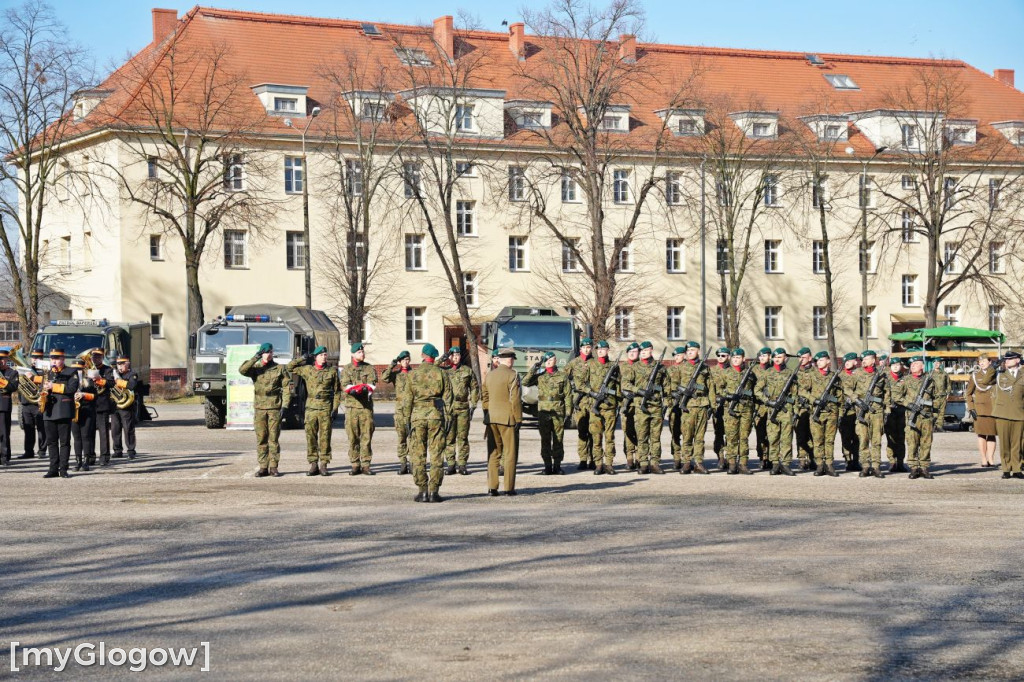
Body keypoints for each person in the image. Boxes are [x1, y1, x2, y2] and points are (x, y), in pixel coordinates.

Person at [403, 343, 454, 502]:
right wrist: (449, 418)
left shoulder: (413, 375)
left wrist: (406, 420)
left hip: (417, 416)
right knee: (437, 454)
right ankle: (434, 491)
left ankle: (422, 490)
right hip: (435, 416)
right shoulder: (441, 373)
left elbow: (407, 400)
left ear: (423, 355)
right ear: (434, 356)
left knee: (418, 454)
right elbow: (448, 398)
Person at [288, 345, 342, 476]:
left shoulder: (332, 372)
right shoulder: (307, 370)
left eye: (325, 355)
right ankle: (313, 464)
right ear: (316, 357)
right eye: (321, 355)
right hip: (311, 407)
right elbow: (290, 367)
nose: (324, 357)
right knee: (311, 436)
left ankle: (324, 464)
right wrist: (301, 358)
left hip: (325, 407)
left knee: (325, 437)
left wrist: (335, 408)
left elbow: (337, 392)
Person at [239, 342, 291, 477]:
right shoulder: (256, 368)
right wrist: (255, 357)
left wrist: (285, 405)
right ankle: (263, 467)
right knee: (261, 438)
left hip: (274, 407)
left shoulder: (279, 368)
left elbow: (286, 388)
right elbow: (242, 370)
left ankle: (273, 466)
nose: (268, 355)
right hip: (260, 407)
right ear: (262, 354)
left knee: (273, 438)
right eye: (265, 352)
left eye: (270, 352)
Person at [523, 351, 572, 475]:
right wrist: (534, 368)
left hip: (558, 410)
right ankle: (547, 466)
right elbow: (525, 382)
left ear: (555, 360)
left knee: (558, 439)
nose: (549, 361)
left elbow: (568, 395)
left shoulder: (562, 376)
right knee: (545, 439)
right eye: (547, 360)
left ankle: (557, 465)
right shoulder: (540, 376)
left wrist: (568, 412)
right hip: (544, 411)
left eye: (552, 359)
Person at [482, 348, 522, 496]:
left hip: (492, 418)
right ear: (510, 360)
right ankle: (508, 488)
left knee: (493, 454)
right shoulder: (513, 375)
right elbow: (515, 399)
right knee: (510, 454)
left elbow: (484, 396)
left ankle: (492, 487)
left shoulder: (490, 375)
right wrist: (518, 418)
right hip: (508, 419)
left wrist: (487, 413)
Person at [628, 341, 667, 474]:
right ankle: (643, 463)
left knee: (655, 437)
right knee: (642, 436)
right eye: (641, 351)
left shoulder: (660, 368)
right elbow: (625, 384)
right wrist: (638, 390)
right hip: (641, 406)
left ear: (651, 350)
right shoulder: (634, 367)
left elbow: (666, 386)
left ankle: (655, 463)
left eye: (646, 350)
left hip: (656, 406)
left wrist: (666, 401)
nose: (643, 352)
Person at [339, 342, 378, 475]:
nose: (362, 354)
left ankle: (366, 464)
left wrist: (364, 389)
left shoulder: (369, 368)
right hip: (352, 408)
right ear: (353, 354)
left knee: (366, 436)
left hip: (365, 408)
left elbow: (372, 383)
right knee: (353, 437)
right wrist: (353, 390)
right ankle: (355, 464)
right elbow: (345, 384)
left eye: (363, 352)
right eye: (359, 352)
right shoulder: (347, 369)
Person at [676, 341, 714, 474]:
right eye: (688, 350)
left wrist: (712, 406)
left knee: (699, 437)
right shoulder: (680, 367)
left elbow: (711, 388)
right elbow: (673, 386)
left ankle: (699, 462)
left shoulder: (704, 368)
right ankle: (686, 462)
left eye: (693, 350)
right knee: (687, 435)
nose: (690, 352)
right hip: (688, 407)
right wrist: (683, 392)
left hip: (702, 405)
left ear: (698, 351)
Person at [801, 350, 841, 477]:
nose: (819, 362)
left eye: (821, 360)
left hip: (831, 413)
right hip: (816, 413)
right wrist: (814, 399)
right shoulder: (811, 376)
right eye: (817, 360)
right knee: (818, 440)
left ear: (828, 361)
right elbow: (802, 391)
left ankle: (829, 464)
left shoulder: (834, 377)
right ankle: (819, 464)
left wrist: (839, 411)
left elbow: (839, 396)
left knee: (829, 440)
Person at [850, 350, 888, 478]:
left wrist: (887, 409)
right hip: (862, 410)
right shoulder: (857, 373)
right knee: (863, 439)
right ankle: (865, 466)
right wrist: (857, 400)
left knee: (876, 440)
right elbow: (848, 389)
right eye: (862, 359)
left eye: (866, 359)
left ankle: (876, 466)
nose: (863, 361)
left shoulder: (881, 374)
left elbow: (887, 392)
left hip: (877, 411)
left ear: (873, 360)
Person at [719, 348, 757, 475]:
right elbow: (719, 390)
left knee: (744, 437)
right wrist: (729, 396)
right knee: (731, 437)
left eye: (738, 358)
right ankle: (732, 464)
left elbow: (754, 391)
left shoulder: (750, 374)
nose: (735, 360)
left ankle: (743, 464)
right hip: (731, 409)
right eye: (734, 358)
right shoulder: (726, 373)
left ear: (743, 359)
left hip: (746, 409)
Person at [41, 349, 79, 478]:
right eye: (52, 359)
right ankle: (52, 469)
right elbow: (41, 389)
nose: (54, 361)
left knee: (64, 442)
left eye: (57, 359)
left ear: (63, 359)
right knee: (51, 442)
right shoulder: (47, 373)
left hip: (63, 410)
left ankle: (63, 469)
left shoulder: (71, 372)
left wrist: (54, 387)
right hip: (49, 410)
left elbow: (72, 388)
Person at [761, 348, 797, 476]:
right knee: (773, 437)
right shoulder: (767, 373)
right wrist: (768, 401)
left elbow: (795, 394)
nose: (777, 359)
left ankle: (786, 464)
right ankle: (775, 463)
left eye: (780, 357)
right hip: (772, 409)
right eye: (775, 357)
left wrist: (794, 410)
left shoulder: (791, 373)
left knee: (786, 438)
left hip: (786, 410)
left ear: (785, 359)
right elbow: (757, 390)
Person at [443, 346, 479, 476]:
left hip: (463, 407)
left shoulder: (467, 371)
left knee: (462, 438)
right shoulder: (445, 371)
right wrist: (443, 357)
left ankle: (462, 464)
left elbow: (474, 388)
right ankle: (451, 464)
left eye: (457, 355)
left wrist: (473, 404)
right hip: (449, 409)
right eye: (453, 355)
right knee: (449, 438)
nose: (456, 357)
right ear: (450, 357)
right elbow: (433, 368)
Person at [585, 340, 619, 475]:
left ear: (608, 350)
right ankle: (598, 464)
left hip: (610, 406)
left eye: (603, 349)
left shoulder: (614, 367)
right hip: (595, 406)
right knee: (596, 437)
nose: (600, 351)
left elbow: (618, 386)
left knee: (610, 436)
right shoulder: (590, 365)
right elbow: (581, 384)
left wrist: (619, 402)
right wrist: (592, 393)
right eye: (598, 349)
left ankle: (609, 464)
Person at [902, 356, 939, 479]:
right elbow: (896, 396)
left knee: (926, 443)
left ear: (922, 366)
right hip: (912, 417)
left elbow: (937, 398)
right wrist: (909, 404)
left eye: (916, 364)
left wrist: (936, 415)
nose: (913, 366)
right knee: (912, 442)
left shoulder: (930, 380)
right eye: (911, 364)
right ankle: (913, 467)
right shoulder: (905, 380)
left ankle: (924, 467)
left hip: (926, 417)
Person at [991, 350, 1024, 480]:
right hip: (1003, 413)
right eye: (1005, 360)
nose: (1006, 361)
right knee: (1004, 443)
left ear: (1017, 360)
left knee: (1017, 443)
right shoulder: (1000, 374)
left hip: (1019, 412)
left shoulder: (1022, 374)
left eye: (1009, 359)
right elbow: (987, 380)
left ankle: (1016, 468)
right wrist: (994, 366)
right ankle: (1006, 469)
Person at [565, 338, 595, 470]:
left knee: (594, 432)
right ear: (581, 349)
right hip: (580, 401)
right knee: (582, 431)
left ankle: (594, 459)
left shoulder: (595, 363)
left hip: (594, 401)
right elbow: (563, 377)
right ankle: (583, 459)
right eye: (584, 347)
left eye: (589, 347)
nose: (587, 349)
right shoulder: (573, 363)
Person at [382, 350, 413, 475]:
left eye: (407, 359)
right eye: (403, 360)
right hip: (400, 409)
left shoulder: (414, 373)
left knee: (412, 437)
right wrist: (391, 365)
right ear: (400, 362)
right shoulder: (396, 374)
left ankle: (413, 463)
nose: (406, 362)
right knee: (401, 437)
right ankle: (403, 463)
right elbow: (384, 378)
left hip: (412, 409)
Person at [965, 353, 998, 468]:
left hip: (993, 409)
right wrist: (971, 408)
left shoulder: (995, 374)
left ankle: (991, 458)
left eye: (984, 361)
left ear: (990, 362)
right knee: (982, 435)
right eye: (980, 361)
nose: (982, 363)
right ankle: (984, 459)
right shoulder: (975, 376)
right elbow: (968, 394)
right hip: (980, 409)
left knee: (992, 434)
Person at [18, 350, 48, 459]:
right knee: (28, 429)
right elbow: (19, 384)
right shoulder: (25, 370)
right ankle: (28, 451)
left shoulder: (45, 370)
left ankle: (42, 450)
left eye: (38, 357)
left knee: (42, 429)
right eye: (34, 357)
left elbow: (47, 382)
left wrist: (33, 378)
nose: (35, 360)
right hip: (26, 403)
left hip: (39, 403)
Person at [69, 358, 98, 472]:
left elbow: (95, 396)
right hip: (73, 411)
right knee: (76, 437)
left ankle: (86, 461)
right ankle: (78, 461)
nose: (77, 371)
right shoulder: (69, 380)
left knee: (86, 436)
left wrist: (84, 395)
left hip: (87, 410)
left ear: (83, 369)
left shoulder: (89, 380)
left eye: (80, 369)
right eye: (75, 369)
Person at [110, 356, 139, 460]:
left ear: (128, 363)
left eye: (122, 364)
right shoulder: (114, 374)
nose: (120, 366)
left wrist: (117, 380)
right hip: (115, 405)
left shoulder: (132, 374)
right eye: (118, 364)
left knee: (128, 428)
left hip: (126, 406)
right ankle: (117, 450)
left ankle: (131, 450)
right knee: (115, 429)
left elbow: (132, 385)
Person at [90, 348, 115, 465]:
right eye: (94, 356)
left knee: (103, 432)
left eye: (98, 357)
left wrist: (100, 380)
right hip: (90, 404)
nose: (96, 358)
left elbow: (111, 383)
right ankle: (90, 456)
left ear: (102, 357)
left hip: (102, 404)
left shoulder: (108, 369)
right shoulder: (87, 369)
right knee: (89, 432)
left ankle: (104, 456)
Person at [838, 352, 862, 472]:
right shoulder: (839, 376)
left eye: (849, 361)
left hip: (857, 411)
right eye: (845, 361)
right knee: (845, 437)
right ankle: (848, 460)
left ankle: (856, 460)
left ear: (855, 362)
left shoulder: (859, 375)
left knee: (857, 437)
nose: (847, 363)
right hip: (844, 411)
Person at [619, 342, 640, 469]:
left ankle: (640, 457)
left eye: (635, 352)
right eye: (630, 352)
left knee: (640, 431)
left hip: (638, 403)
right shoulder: (621, 367)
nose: (633, 354)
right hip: (626, 403)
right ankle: (629, 458)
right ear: (627, 353)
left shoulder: (641, 366)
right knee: (628, 431)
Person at [884, 358, 908, 473]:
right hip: (889, 412)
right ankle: (892, 462)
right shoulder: (885, 378)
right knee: (890, 438)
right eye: (893, 365)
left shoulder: (905, 378)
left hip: (901, 412)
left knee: (901, 438)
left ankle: (900, 462)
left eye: (897, 364)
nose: (895, 367)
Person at [794, 346, 816, 470]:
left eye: (803, 357)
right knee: (800, 435)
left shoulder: (815, 372)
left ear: (810, 358)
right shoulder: (794, 372)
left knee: (813, 434)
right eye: (799, 358)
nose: (801, 360)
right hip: (799, 408)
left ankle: (813, 458)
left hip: (812, 407)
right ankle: (802, 459)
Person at [666, 346, 686, 470]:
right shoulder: (670, 370)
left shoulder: (688, 369)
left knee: (686, 433)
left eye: (678, 355)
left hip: (685, 404)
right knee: (674, 432)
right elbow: (666, 386)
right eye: (675, 356)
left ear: (684, 355)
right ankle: (676, 458)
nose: (676, 357)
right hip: (673, 404)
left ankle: (686, 458)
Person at [752, 347, 772, 469]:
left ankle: (770, 457)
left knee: (772, 433)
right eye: (760, 356)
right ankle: (762, 457)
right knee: (760, 433)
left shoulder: (773, 369)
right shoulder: (753, 370)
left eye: (764, 356)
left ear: (770, 356)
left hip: (771, 406)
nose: (762, 358)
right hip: (758, 406)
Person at [710, 347, 730, 468]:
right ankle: (721, 457)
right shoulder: (711, 371)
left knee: (730, 433)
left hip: (729, 405)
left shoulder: (733, 371)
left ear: (728, 357)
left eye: (723, 355)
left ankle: (729, 456)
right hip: (717, 405)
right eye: (719, 355)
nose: (721, 358)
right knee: (718, 433)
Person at [0, 349, 19, 465]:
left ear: (7, 360)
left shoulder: (12, 373)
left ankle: (4, 456)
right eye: (0, 359)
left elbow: (13, 387)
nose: (2, 362)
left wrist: (3, 382)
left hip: (3, 404)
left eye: (3, 359)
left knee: (4, 432)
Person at [930, 360, 951, 432]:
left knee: (942, 412)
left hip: (943, 395)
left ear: (940, 364)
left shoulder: (944, 374)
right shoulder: (930, 374)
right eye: (935, 363)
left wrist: (948, 393)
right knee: (934, 412)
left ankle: (939, 426)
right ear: (933, 364)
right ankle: (933, 426)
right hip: (934, 396)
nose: (936, 364)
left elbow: (948, 384)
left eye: (938, 363)